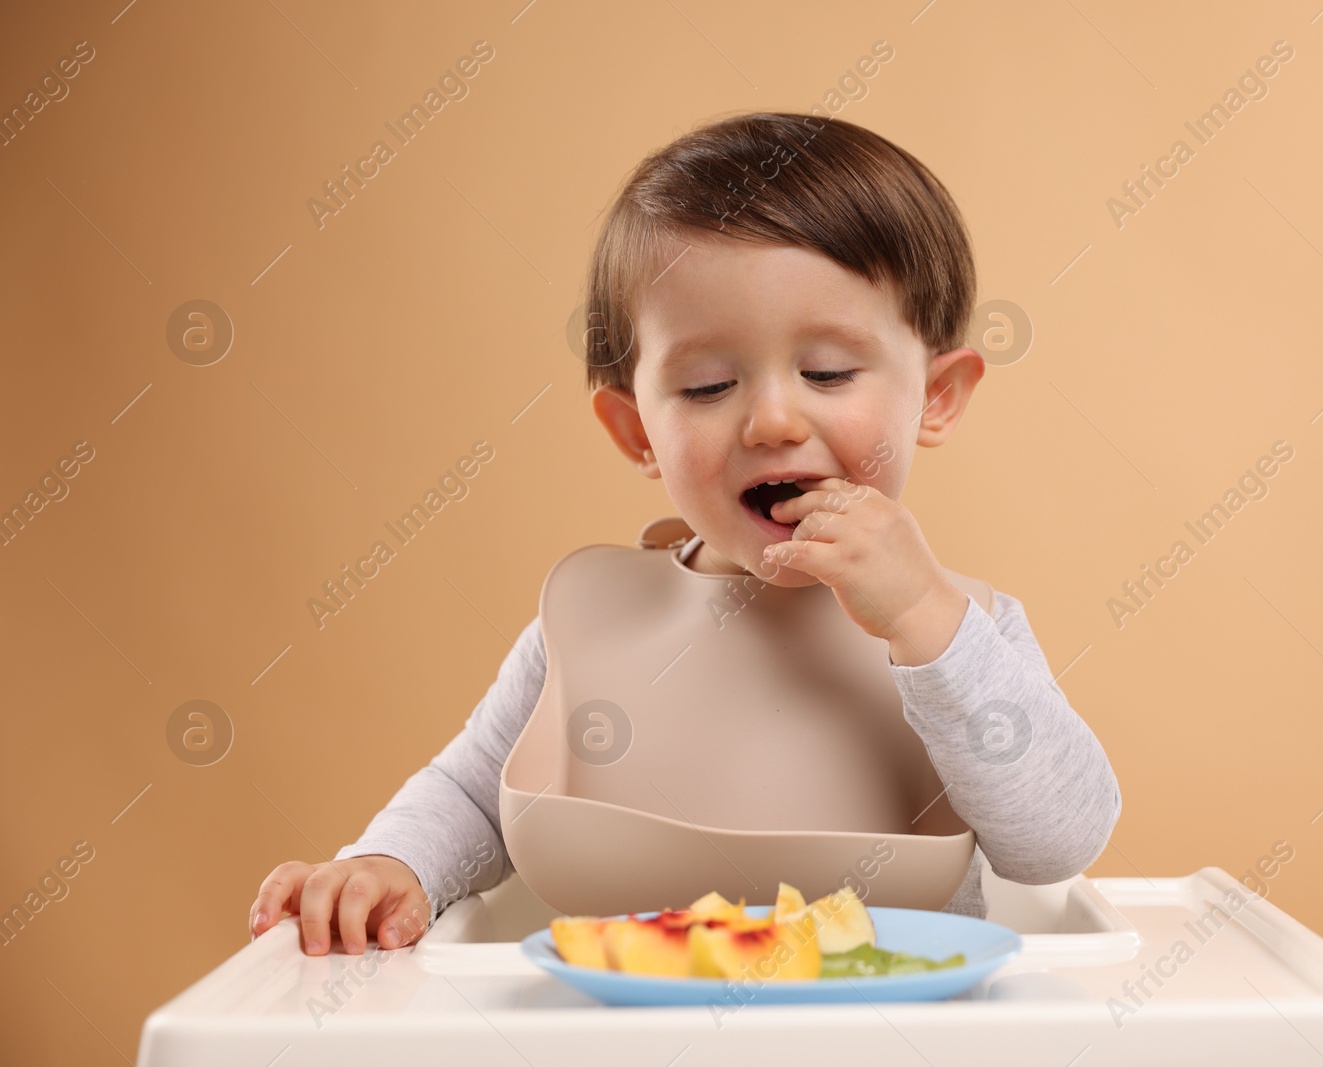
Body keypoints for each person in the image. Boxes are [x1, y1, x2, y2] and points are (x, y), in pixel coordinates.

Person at [248, 111, 1121, 956]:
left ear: (936, 396)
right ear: (636, 431)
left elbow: (1058, 843)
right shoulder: (596, 622)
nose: (773, 420)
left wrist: (926, 621)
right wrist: (389, 862)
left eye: (827, 371)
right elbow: (474, 796)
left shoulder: (964, 629)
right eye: (707, 386)